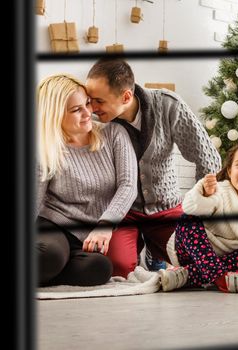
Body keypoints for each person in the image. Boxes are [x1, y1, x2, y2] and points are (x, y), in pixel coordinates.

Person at [85, 58, 222, 277]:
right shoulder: (95, 120)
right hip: (124, 212)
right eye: (90, 100)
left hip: (165, 208)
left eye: (99, 101)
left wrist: (199, 204)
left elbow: (207, 157)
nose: (92, 107)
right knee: (118, 269)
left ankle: (154, 251)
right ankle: (141, 247)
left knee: (196, 262)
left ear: (126, 96)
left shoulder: (168, 105)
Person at [36, 74, 137, 286]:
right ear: (54, 115)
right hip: (54, 226)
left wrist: (105, 226)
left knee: (100, 268)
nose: (88, 113)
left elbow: (128, 186)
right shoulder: (44, 148)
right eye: (76, 110)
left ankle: (48, 273)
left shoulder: (114, 134)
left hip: (90, 234)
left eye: (87, 104)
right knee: (49, 256)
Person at [159, 142, 238, 293]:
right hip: (193, 252)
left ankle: (186, 275)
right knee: (188, 219)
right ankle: (220, 278)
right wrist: (204, 194)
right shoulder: (220, 191)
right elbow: (190, 207)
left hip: (229, 262)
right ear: (230, 171)